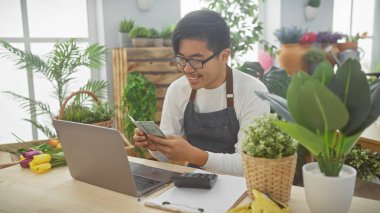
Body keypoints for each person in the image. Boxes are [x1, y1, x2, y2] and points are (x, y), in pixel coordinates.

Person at [132, 10, 269, 176]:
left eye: (196, 60)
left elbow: (248, 165)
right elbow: (164, 157)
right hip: (192, 183)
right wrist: (155, 146)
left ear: (224, 56)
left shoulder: (253, 91)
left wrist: (194, 155)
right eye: (181, 59)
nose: (188, 69)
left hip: (240, 190)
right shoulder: (178, 90)